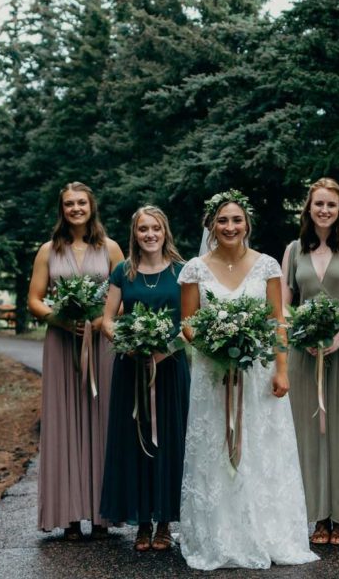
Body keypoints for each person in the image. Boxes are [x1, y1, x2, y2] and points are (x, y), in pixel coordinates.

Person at [179, 190, 318, 570]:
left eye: (236, 220)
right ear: (211, 225)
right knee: (215, 450)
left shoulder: (267, 265)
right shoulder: (194, 269)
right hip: (213, 374)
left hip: (258, 375)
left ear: (247, 224)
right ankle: (220, 534)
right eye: (222, 220)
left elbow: (277, 320)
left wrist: (282, 369)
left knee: (261, 450)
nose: (230, 227)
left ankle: (266, 532)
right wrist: (217, 346)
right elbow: (188, 323)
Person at [281, 178, 339, 545]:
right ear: (308, 207)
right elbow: (283, 304)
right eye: (318, 204)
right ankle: (318, 516)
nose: (324, 210)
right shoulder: (293, 250)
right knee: (309, 432)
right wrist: (301, 332)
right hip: (304, 352)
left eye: (331, 205)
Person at [28, 182, 124, 539]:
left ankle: (102, 514)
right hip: (61, 342)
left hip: (101, 343)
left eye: (81, 202)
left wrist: (103, 321)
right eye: (69, 204)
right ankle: (68, 515)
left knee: (102, 420)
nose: (76, 208)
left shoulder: (110, 248)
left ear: (91, 206)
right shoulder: (48, 251)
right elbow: (34, 300)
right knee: (64, 420)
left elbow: (124, 295)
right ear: (62, 210)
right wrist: (61, 320)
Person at [100, 205, 190, 552]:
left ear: (165, 231)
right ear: (134, 234)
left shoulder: (183, 271)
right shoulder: (123, 272)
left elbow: (191, 322)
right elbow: (108, 320)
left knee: (168, 440)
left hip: (170, 367)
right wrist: (128, 345)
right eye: (143, 229)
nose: (150, 234)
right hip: (131, 367)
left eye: (156, 228)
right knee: (135, 440)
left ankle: (165, 522)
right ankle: (141, 523)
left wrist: (165, 350)